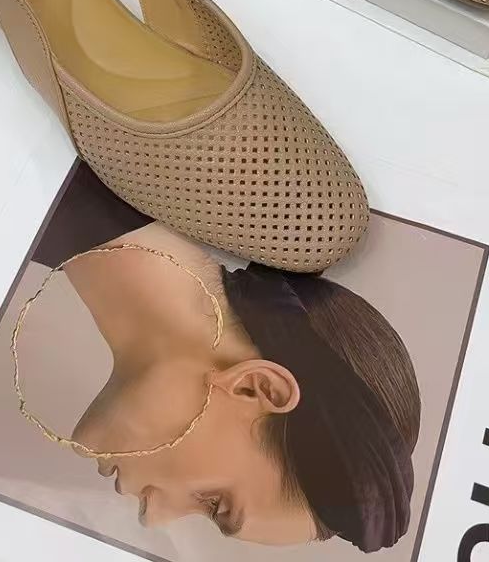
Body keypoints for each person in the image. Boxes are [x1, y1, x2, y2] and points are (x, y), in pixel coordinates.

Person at [26, 162, 422, 553]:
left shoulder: (41, 213)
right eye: (214, 503)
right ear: (257, 387)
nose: (153, 518)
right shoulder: (66, 169)